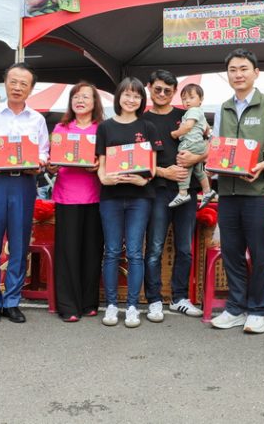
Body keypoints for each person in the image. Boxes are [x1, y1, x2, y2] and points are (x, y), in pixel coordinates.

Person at [209, 48, 264, 335]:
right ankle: (235, 308)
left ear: (256, 73)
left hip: (258, 191)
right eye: (232, 70)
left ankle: (258, 311)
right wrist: (211, 164)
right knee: (231, 252)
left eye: (243, 69)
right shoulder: (223, 108)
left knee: (258, 252)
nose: (238, 74)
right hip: (228, 191)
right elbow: (217, 144)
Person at [0, 62, 49, 325]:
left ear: (31, 89)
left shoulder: (37, 119)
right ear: (5, 83)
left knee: (19, 242)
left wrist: (39, 163)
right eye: (13, 82)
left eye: (23, 84)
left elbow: (43, 152)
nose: (17, 87)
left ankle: (12, 300)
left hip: (24, 183)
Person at [96, 77, 162, 328]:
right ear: (119, 97)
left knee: (135, 252)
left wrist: (143, 180)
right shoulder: (105, 127)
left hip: (140, 198)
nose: (131, 99)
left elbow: (152, 167)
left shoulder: (148, 126)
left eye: (136, 96)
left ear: (142, 100)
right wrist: (105, 179)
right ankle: (112, 305)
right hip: (111, 197)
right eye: (127, 94)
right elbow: (102, 166)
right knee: (111, 251)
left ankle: (133, 306)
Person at [142, 70, 205, 323]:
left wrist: (196, 157)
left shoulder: (187, 115)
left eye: (167, 90)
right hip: (157, 189)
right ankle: (154, 299)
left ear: (174, 92)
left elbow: (210, 145)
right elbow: (136, 160)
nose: (162, 94)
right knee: (155, 247)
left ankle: (180, 297)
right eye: (158, 89)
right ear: (149, 88)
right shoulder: (141, 120)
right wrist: (163, 172)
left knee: (184, 248)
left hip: (187, 190)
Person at [47, 82, 104, 322]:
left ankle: (89, 302)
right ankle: (68, 305)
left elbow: (107, 160)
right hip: (67, 196)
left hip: (96, 196)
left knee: (92, 251)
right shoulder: (61, 128)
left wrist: (99, 164)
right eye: (76, 97)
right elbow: (52, 159)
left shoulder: (102, 129)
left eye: (85, 97)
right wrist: (51, 166)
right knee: (67, 251)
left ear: (94, 102)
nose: (80, 101)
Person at [168, 83, 217, 209]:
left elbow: (188, 126)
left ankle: (183, 193)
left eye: (191, 97)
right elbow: (207, 129)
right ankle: (207, 190)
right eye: (184, 99)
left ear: (201, 99)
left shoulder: (193, 111)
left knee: (183, 166)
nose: (187, 101)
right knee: (198, 170)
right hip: (198, 144)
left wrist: (175, 133)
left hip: (190, 144)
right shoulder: (200, 113)